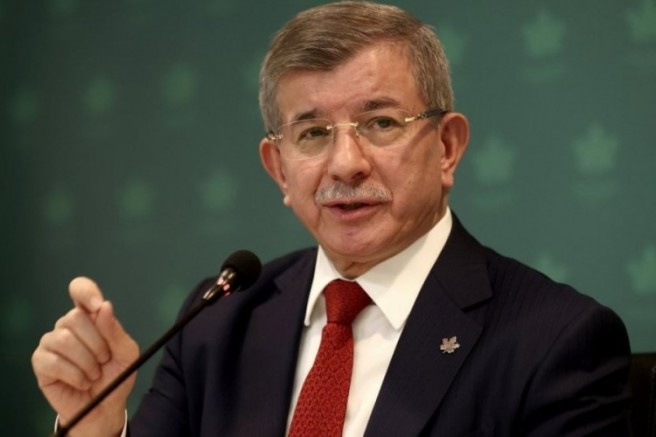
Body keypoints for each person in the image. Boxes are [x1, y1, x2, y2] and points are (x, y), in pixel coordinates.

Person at [32, 1, 632, 436]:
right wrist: (99, 427)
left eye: (381, 123)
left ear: (447, 147)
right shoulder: (219, 321)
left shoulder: (555, 340)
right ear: (279, 170)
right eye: (314, 133)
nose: (346, 163)